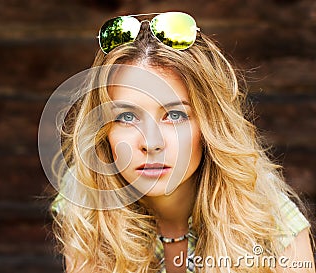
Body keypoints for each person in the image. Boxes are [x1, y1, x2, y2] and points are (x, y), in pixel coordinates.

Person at [49, 12, 315, 273]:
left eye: (175, 115)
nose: (151, 143)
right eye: (126, 116)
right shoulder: (85, 205)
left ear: (210, 125)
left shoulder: (271, 222)